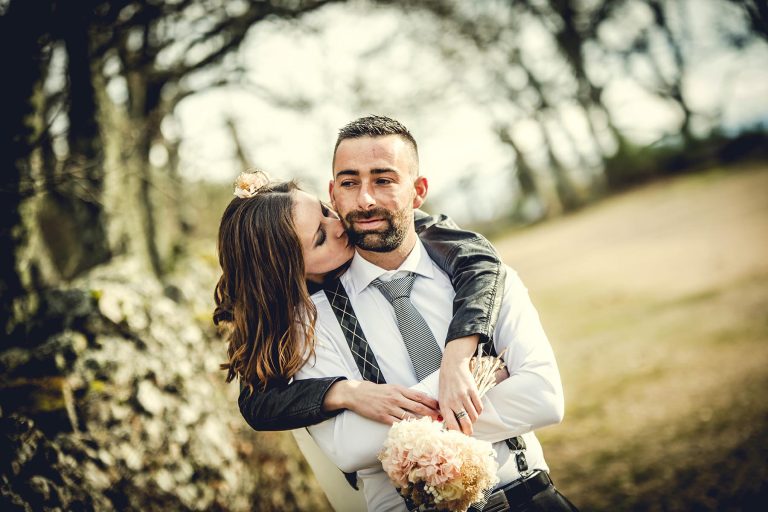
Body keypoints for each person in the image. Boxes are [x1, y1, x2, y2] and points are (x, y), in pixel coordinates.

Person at [291, 115, 577, 511]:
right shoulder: (312, 321)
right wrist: (468, 383)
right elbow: (347, 449)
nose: (365, 199)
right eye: (350, 182)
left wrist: (394, 432)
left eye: (384, 180)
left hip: (525, 498)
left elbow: (543, 398)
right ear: (333, 194)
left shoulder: (487, 279)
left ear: (418, 191)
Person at [222, 179, 508, 436]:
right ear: (288, 272)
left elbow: (479, 259)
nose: (339, 226)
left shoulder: (381, 228)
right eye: (320, 237)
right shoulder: (285, 316)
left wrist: (458, 358)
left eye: (324, 211)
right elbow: (257, 404)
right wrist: (345, 392)